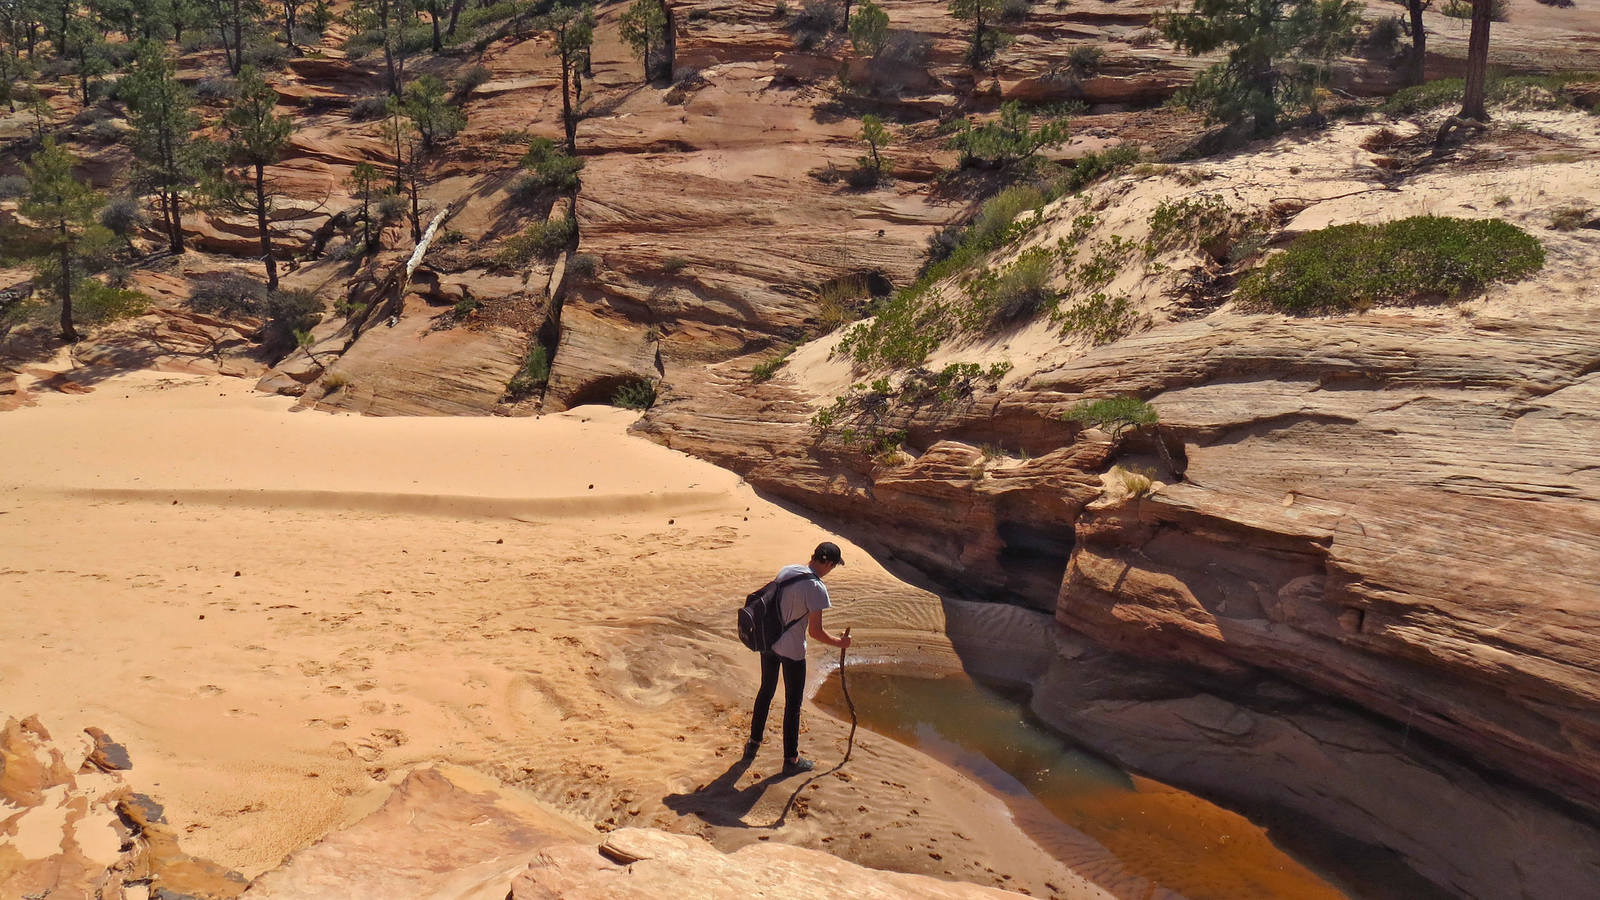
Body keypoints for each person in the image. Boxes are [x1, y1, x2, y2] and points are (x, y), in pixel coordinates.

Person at [745, 541, 852, 774]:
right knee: (793, 704)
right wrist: (839, 642)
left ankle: (753, 742)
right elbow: (815, 632)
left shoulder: (788, 570)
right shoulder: (816, 588)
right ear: (829, 563)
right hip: (792, 651)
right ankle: (791, 759)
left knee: (766, 690)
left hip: (769, 642)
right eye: (833, 567)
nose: (831, 571)